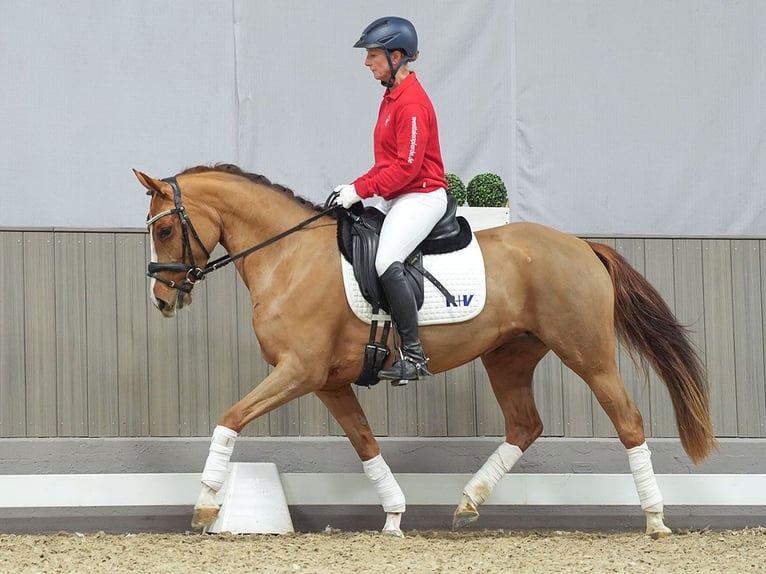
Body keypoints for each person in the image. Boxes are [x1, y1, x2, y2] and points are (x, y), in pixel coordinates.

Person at [334, 16, 449, 383]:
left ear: (396, 56)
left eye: (372, 55)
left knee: (386, 259)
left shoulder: (412, 103)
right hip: (400, 194)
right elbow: (386, 164)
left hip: (422, 194)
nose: (367, 62)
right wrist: (353, 187)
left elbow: (408, 169)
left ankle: (414, 356)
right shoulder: (391, 98)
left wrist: (362, 190)